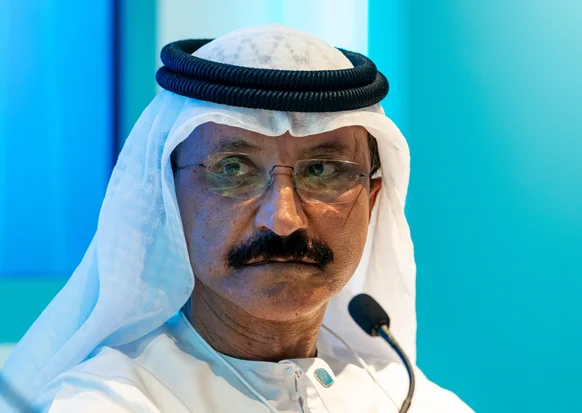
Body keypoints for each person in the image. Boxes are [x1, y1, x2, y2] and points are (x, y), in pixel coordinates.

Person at [0, 24, 474, 412]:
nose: (283, 220)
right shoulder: (108, 401)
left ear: (371, 200)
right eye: (232, 169)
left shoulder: (416, 403)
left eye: (323, 171)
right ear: (169, 197)